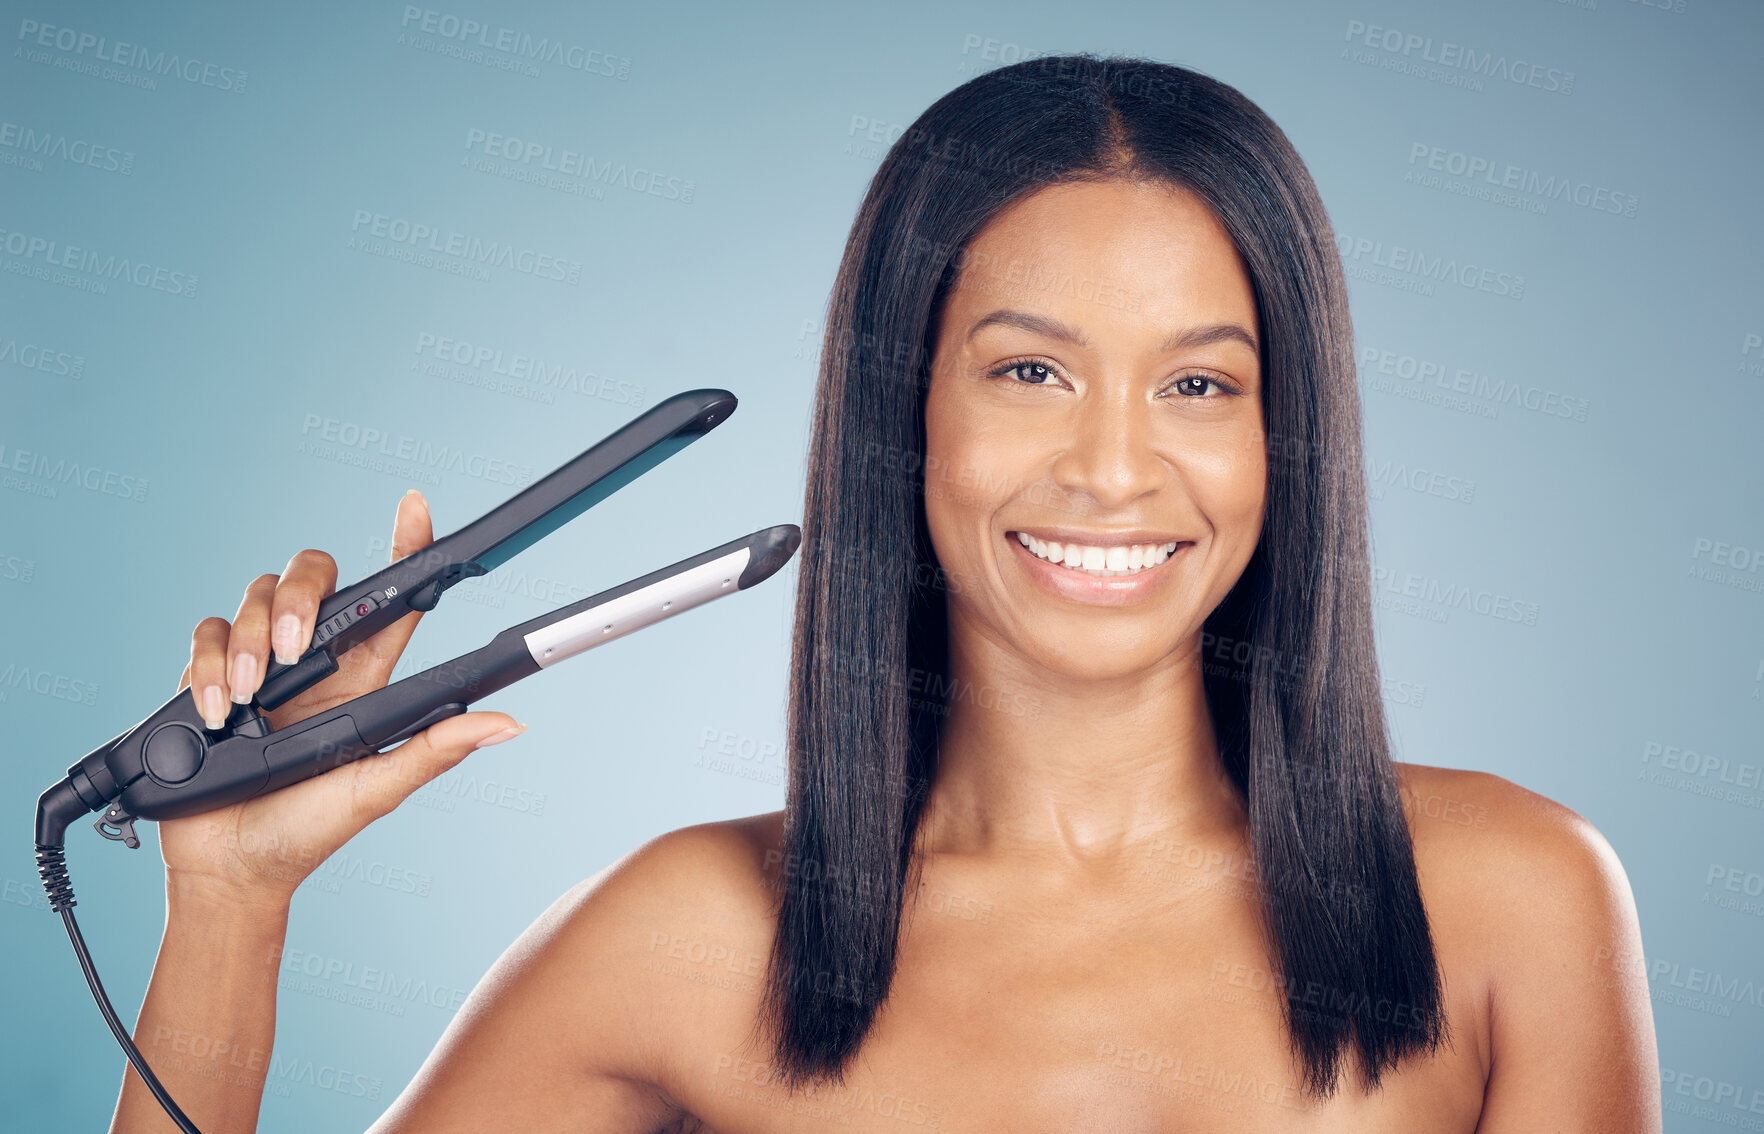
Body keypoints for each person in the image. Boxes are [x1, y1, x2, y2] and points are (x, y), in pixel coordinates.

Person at [112, 54, 1661, 1133]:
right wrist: (230, 906)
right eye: (1032, 369)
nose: (1116, 468)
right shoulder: (691, 941)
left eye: (1199, 381)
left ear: (1284, 435)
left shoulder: (1521, 902)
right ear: (903, 405)